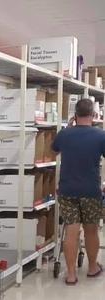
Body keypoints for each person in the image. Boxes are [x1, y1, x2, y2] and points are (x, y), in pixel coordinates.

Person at [52, 98, 105, 285]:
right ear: (93, 115)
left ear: (75, 115)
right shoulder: (101, 135)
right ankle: (92, 268)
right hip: (91, 190)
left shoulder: (64, 134)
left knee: (71, 232)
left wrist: (67, 128)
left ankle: (71, 275)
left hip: (67, 190)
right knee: (91, 231)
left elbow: (55, 151)